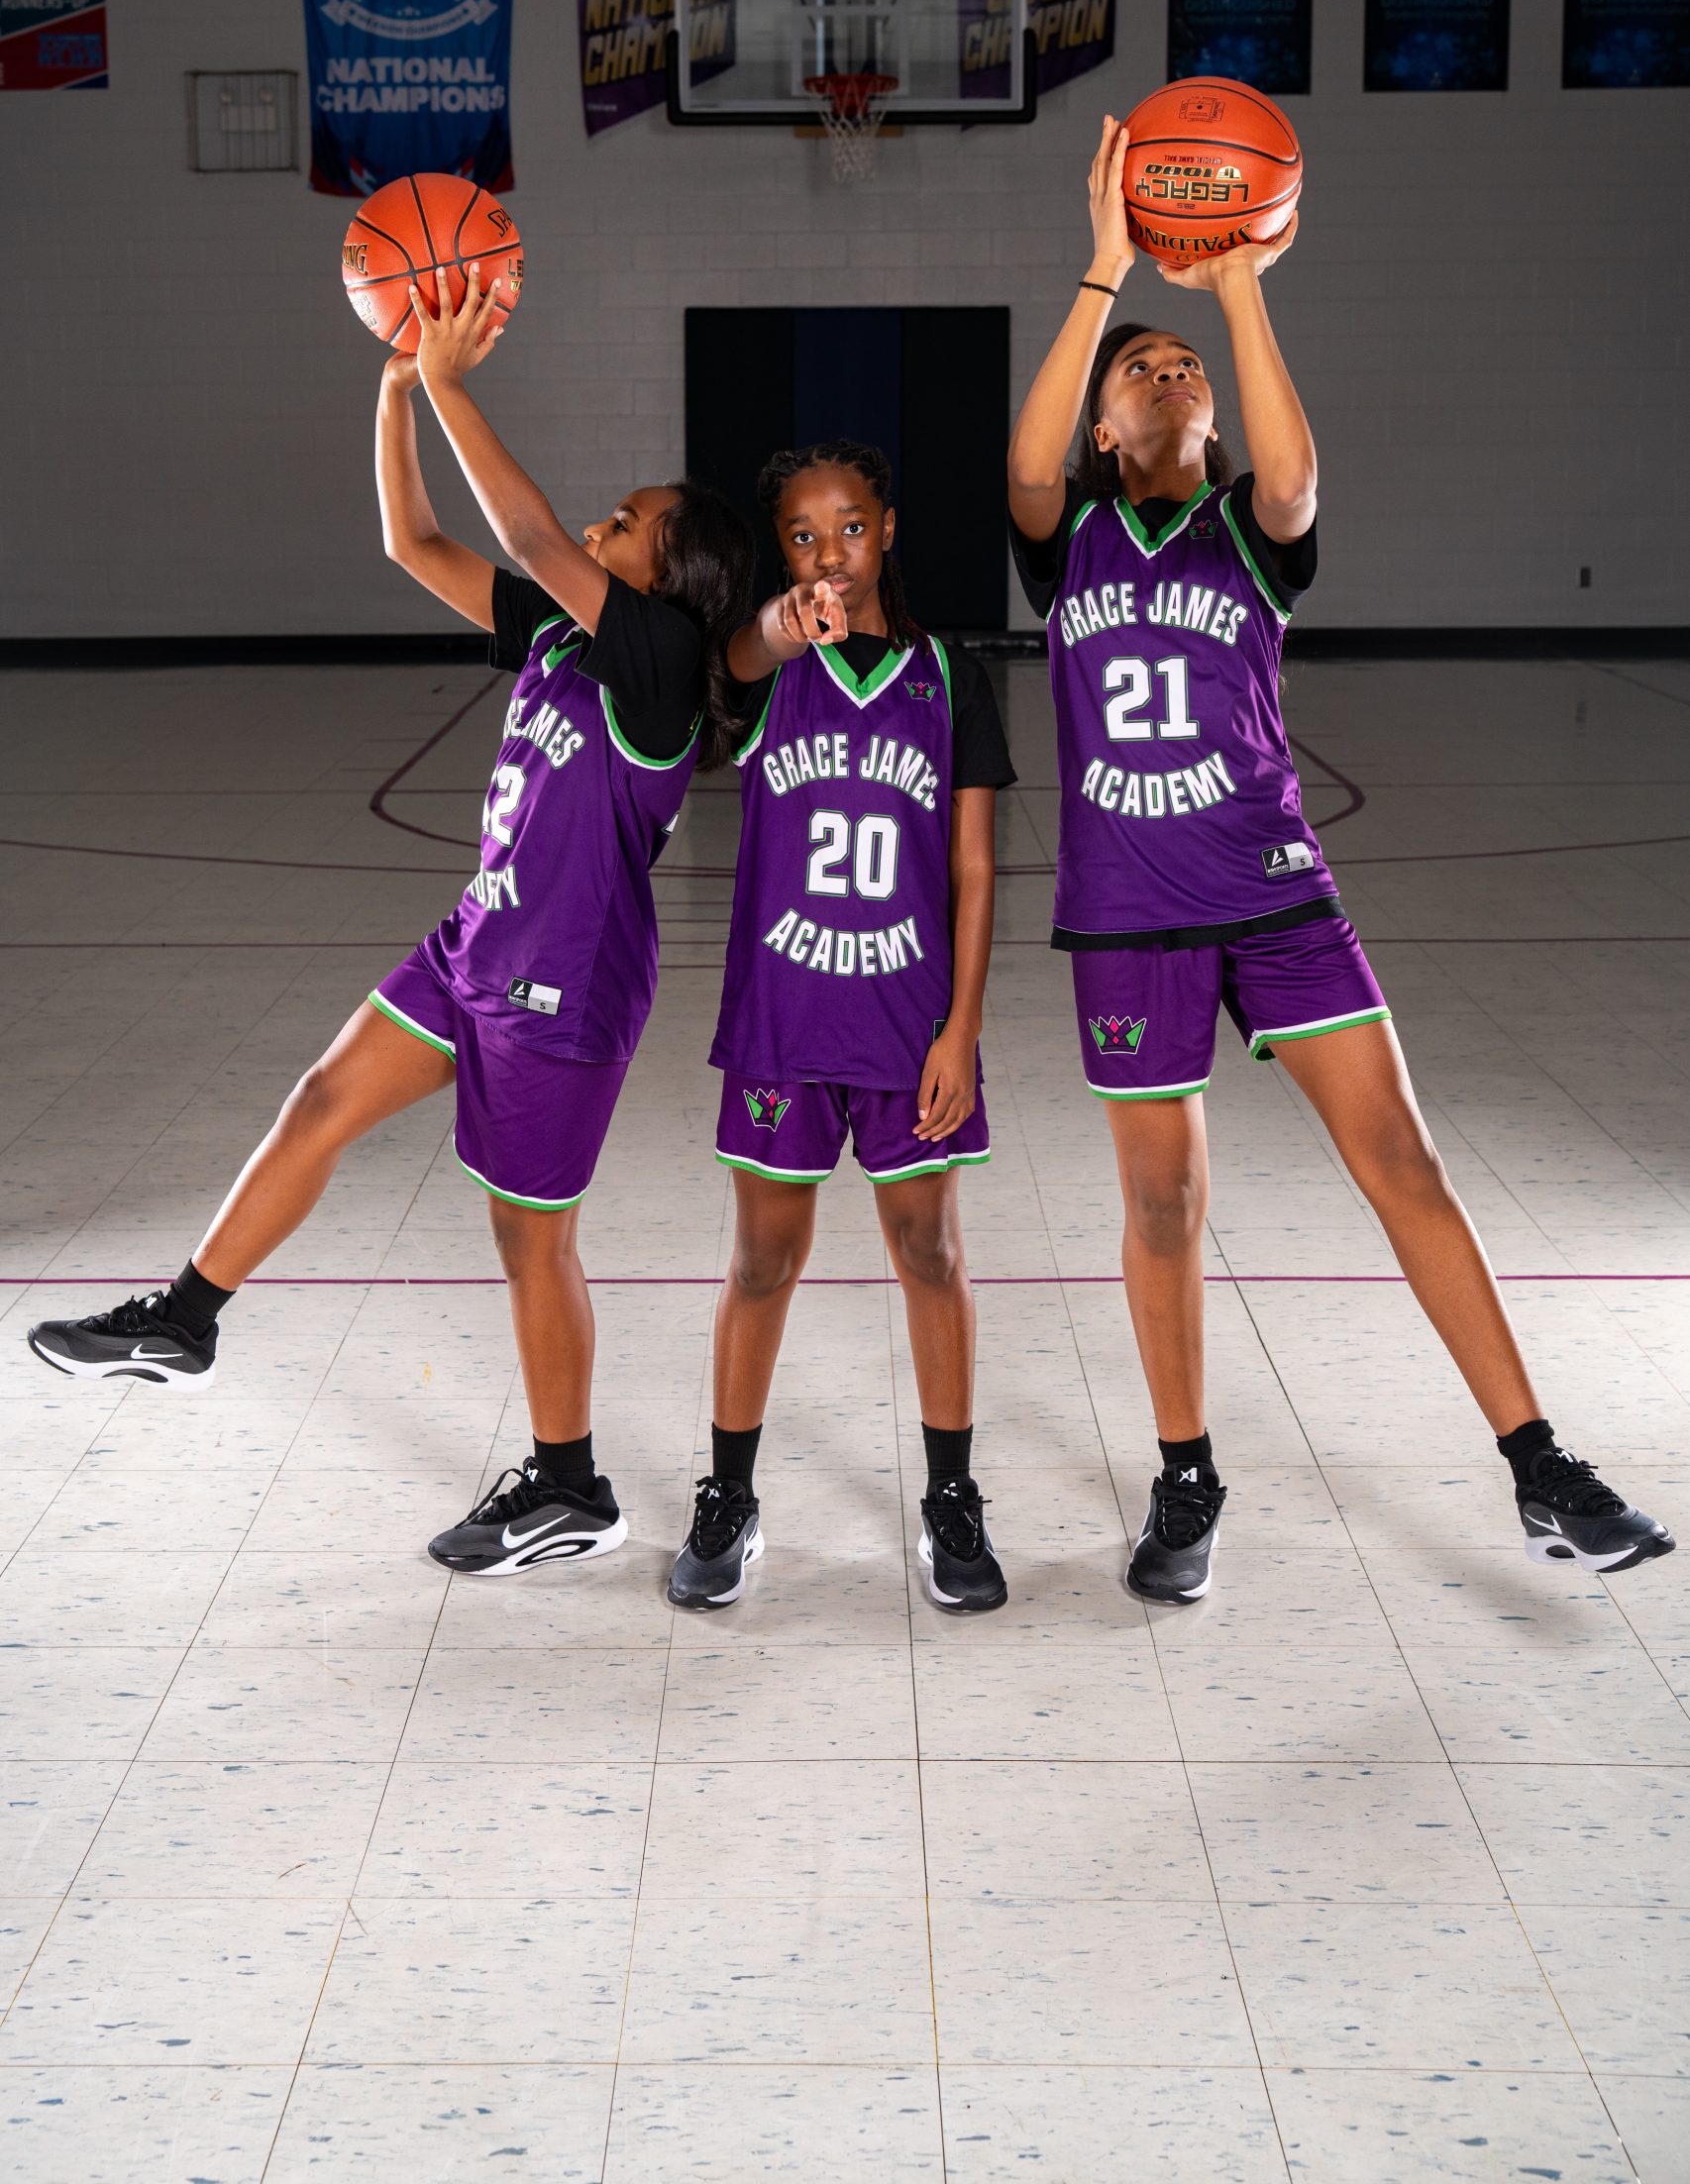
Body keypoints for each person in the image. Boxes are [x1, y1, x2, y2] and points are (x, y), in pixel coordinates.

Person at [1004, 118, 1674, 1604]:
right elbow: (1024, 463)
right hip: (1128, 916)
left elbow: (1297, 473)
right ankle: (1185, 1480)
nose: (1165, 372)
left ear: (1214, 416)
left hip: (1275, 893)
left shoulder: (1253, 531)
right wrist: (1105, 275)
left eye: (1185, 367)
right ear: (1103, 426)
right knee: (1163, 1206)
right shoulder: (1067, 544)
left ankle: (1538, 1466)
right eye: (1139, 369)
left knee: (1402, 1160)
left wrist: (1236, 283)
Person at [29, 265, 755, 1579]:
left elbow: (526, 535)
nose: (599, 523)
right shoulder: (562, 639)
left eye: (627, 522)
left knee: (530, 1240)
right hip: (477, 944)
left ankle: (571, 1486)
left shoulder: (658, 667)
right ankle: (184, 1319)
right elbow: (412, 545)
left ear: (676, 573)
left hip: (565, 990)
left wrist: (449, 380)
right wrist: (393, 394)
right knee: (320, 1100)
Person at [667, 441, 1017, 1614]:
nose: (831, 552)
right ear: (781, 553)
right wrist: (778, 625)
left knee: (930, 1253)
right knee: (761, 1261)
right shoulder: (766, 671)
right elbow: (732, 654)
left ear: (888, 528)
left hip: (909, 1025)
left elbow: (974, 868)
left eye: (850, 526)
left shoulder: (949, 678)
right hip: (783, 1021)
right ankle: (728, 1495)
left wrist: (961, 1029)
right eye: (804, 534)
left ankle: (950, 1496)